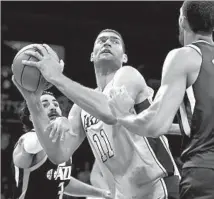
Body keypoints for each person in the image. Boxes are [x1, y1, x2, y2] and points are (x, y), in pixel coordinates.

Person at [17, 29, 180, 199]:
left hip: (159, 189)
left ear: (124, 57)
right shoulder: (81, 108)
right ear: (92, 56)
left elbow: (109, 112)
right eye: (101, 40)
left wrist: (56, 77)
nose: (107, 43)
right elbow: (58, 154)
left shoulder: (128, 75)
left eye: (114, 41)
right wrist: (33, 102)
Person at [104, 2, 214, 199]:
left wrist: (122, 115)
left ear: (182, 20)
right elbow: (203, 120)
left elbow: (155, 125)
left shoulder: (184, 56)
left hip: (204, 173)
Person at [12, 91, 112, 199]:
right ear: (32, 117)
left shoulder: (62, 145)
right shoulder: (28, 139)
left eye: (56, 104)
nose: (52, 107)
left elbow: (63, 181)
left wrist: (101, 193)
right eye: (45, 105)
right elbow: (29, 145)